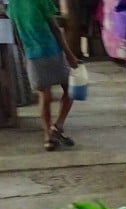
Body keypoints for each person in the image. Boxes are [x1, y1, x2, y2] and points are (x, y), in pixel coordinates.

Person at [7, 0, 79, 151]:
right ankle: (55, 128)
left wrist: (24, 55)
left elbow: (16, 34)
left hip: (34, 54)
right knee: (69, 89)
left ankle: (50, 135)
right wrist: (69, 54)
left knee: (45, 96)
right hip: (50, 51)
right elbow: (56, 29)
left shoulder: (13, 4)